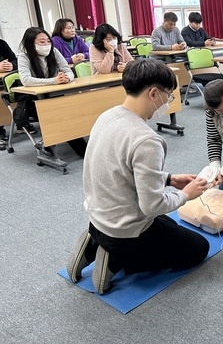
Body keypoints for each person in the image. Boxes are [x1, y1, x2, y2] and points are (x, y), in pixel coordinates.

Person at [65, 58, 211, 295]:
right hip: (125, 231)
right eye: (168, 94)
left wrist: (169, 179)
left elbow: (118, 169)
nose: (168, 100)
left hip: (97, 218)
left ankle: (95, 242)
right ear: (153, 93)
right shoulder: (147, 140)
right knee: (198, 248)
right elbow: (153, 205)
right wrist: (185, 195)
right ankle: (116, 259)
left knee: (168, 225)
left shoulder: (107, 116)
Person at [17, 27, 87, 157]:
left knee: (72, 109)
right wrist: (53, 81)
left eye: (48, 41)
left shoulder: (53, 51)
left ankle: (52, 143)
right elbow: (26, 80)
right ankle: (79, 149)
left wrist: (67, 78)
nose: (46, 45)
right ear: (31, 43)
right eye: (42, 42)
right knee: (60, 113)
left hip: (56, 95)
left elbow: (68, 70)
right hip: (33, 101)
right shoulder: (24, 57)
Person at [0, 38, 18, 149]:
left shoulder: (1, 44)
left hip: (3, 81)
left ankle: (21, 120)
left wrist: (12, 65)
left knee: (19, 88)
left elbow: (15, 60)